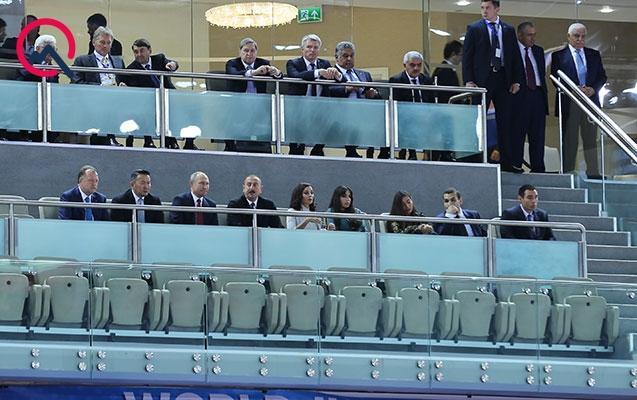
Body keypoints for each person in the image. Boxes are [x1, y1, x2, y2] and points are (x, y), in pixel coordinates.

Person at [463, 0, 522, 172]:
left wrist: (516, 80)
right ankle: (476, 159)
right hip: (482, 80)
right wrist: (469, 80)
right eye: (482, 8)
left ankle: (506, 162)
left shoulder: (508, 29)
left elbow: (515, 56)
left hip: (503, 77)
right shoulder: (474, 28)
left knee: (505, 121)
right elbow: (467, 56)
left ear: (497, 9)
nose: (484, 11)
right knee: (478, 120)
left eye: (488, 8)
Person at [550, 23, 607, 179]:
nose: (580, 39)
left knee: (590, 139)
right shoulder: (558, 56)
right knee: (570, 139)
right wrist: (574, 89)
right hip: (570, 103)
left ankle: (593, 172)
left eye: (583, 36)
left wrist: (593, 89)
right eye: (576, 36)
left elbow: (602, 76)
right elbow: (555, 79)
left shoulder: (593, 54)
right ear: (569, 36)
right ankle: (568, 171)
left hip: (590, 102)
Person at [120, 38, 185, 150]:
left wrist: (173, 65)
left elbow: (173, 64)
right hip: (147, 104)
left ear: (150, 50)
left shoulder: (159, 59)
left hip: (169, 98)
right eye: (136, 52)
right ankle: (149, 141)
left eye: (142, 50)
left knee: (185, 108)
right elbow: (125, 83)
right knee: (146, 111)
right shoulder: (131, 69)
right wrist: (123, 85)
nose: (139, 54)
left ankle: (178, 141)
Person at [286, 34, 341, 157]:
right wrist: (317, 73)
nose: (312, 50)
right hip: (300, 109)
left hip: (320, 108)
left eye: (315, 47)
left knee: (321, 142)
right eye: (309, 47)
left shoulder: (325, 63)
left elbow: (342, 80)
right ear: (302, 49)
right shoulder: (293, 63)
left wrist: (336, 74)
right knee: (297, 148)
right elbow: (296, 76)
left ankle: (317, 152)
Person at [225, 38, 282, 153]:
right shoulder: (232, 63)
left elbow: (279, 77)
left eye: (252, 51)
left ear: (256, 52)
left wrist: (276, 72)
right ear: (240, 52)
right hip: (238, 106)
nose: (249, 54)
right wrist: (254, 72)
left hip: (259, 106)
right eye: (246, 50)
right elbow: (233, 73)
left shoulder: (263, 63)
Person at [72, 26, 125, 146]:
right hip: (92, 103)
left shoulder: (118, 61)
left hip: (114, 103)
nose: (105, 46)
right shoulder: (82, 60)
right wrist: (100, 86)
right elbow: (76, 83)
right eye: (102, 42)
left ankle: (111, 138)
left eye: (108, 43)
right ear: (94, 42)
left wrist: (123, 85)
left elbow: (123, 79)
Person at [330, 41, 381, 158]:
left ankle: (377, 152)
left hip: (364, 113)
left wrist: (373, 94)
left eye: (351, 56)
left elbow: (376, 95)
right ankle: (351, 151)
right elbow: (328, 91)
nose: (349, 59)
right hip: (341, 114)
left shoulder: (364, 75)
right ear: (337, 57)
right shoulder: (331, 73)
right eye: (345, 56)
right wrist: (347, 88)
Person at [511, 21, 548, 173]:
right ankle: (516, 164)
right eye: (529, 35)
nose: (532, 38)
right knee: (518, 132)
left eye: (534, 35)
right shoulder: (512, 50)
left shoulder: (538, 51)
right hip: (521, 94)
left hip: (537, 94)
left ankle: (538, 167)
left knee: (538, 134)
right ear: (520, 35)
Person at [389, 50, 434, 161]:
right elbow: (395, 105)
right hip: (406, 118)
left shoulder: (426, 80)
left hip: (425, 117)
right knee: (408, 123)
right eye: (412, 65)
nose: (416, 68)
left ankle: (434, 155)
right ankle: (410, 153)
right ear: (405, 65)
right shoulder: (397, 80)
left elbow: (431, 102)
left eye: (419, 65)